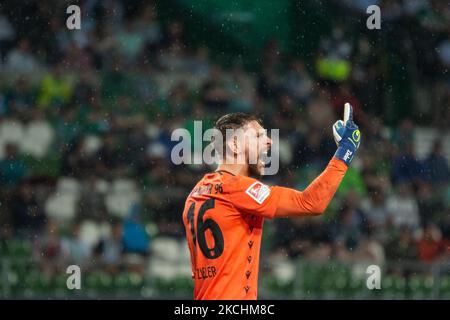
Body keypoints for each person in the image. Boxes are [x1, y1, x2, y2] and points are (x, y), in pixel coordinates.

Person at [182, 103, 361, 300]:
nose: (268, 141)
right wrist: (345, 152)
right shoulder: (238, 189)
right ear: (234, 145)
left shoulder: (196, 193)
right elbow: (310, 203)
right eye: (258, 136)